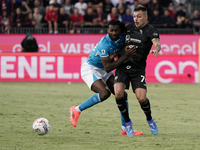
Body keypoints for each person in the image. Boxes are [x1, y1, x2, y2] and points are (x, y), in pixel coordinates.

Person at [70, 19, 143, 136]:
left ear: (120, 30)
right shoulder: (104, 44)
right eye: (111, 30)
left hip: (104, 70)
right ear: (107, 30)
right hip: (91, 68)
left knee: (122, 95)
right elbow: (108, 67)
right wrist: (126, 55)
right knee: (105, 93)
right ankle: (77, 109)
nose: (113, 32)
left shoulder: (123, 37)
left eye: (116, 30)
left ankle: (125, 128)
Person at [114, 5, 161, 136]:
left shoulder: (151, 30)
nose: (136, 19)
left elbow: (157, 43)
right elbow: (116, 41)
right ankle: (128, 123)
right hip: (122, 67)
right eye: (134, 16)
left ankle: (150, 119)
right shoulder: (128, 29)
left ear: (146, 17)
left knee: (141, 98)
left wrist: (156, 49)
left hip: (138, 69)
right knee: (118, 93)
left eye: (139, 16)